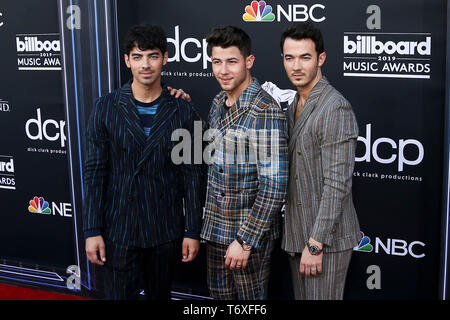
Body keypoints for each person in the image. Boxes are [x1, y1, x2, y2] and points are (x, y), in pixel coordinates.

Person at [83, 24, 205, 300]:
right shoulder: (105, 107)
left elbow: (194, 176)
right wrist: (92, 229)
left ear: (164, 58)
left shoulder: (185, 111)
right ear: (127, 61)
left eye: (152, 55)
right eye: (137, 57)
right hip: (119, 231)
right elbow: (94, 173)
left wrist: (193, 230)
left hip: (164, 230)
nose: (145, 64)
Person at [200, 25, 288, 300]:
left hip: (248, 236)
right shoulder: (216, 102)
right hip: (216, 230)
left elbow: (274, 186)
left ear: (248, 62)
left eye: (231, 62)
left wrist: (245, 240)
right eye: (216, 62)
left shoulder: (265, 110)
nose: (223, 70)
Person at [280, 22, 361, 300]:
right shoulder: (295, 104)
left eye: (305, 57)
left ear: (321, 59)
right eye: (290, 57)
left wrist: (315, 245)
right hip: (297, 234)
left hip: (325, 241)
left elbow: (337, 184)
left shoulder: (334, 107)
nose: (296, 66)